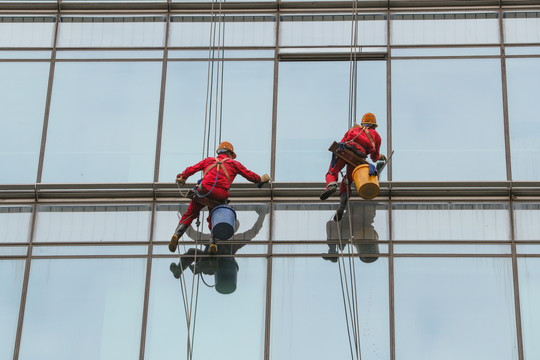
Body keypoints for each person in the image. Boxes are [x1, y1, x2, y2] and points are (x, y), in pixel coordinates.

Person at [169, 141, 270, 253]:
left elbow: (192, 169)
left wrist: (183, 177)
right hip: (220, 195)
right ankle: (213, 243)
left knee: (191, 213)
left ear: (219, 152)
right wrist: (260, 179)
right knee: (215, 217)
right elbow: (249, 175)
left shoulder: (209, 160)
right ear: (230, 154)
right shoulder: (234, 164)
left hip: (204, 190)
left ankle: (176, 235)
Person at [170, 205, 269, 294]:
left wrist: (184, 214)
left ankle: (183, 269)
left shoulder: (219, 238)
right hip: (210, 264)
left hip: (210, 263)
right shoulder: (235, 241)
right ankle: (187, 268)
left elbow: (192, 234)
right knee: (193, 252)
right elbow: (254, 231)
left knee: (192, 252)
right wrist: (262, 214)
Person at [320, 113, 385, 221]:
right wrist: (380, 157)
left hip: (346, 150)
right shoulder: (376, 136)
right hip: (359, 157)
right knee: (347, 181)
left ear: (363, 123)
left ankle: (331, 185)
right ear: (374, 125)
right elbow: (374, 157)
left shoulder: (353, 129)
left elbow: (343, 141)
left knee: (332, 172)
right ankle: (342, 205)